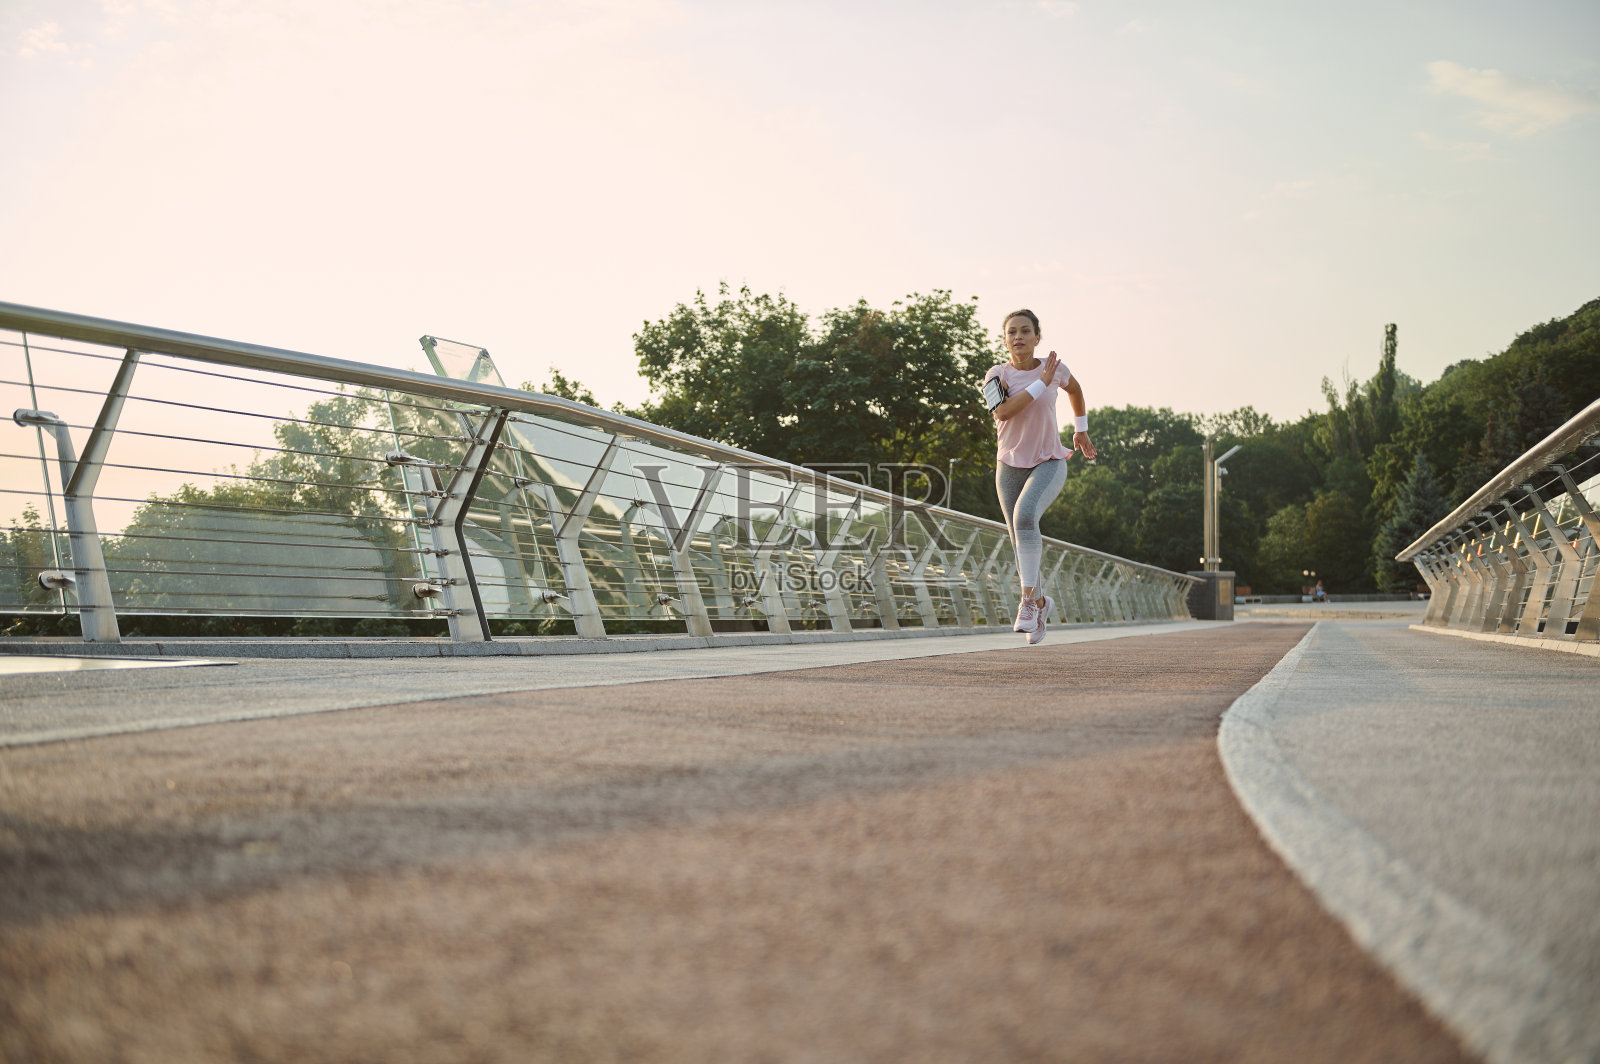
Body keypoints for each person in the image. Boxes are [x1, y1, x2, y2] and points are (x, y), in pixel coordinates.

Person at [983, 308, 1096, 644]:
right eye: (1012, 332)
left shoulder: (1055, 368)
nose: (1018, 337)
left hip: (1049, 460)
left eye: (1025, 331)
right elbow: (1002, 411)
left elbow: (1074, 391)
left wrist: (1081, 430)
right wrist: (1040, 384)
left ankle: (1028, 604)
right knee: (1020, 540)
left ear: (1037, 337)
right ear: (1005, 340)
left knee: (1026, 516)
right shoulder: (995, 375)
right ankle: (1043, 604)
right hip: (1009, 466)